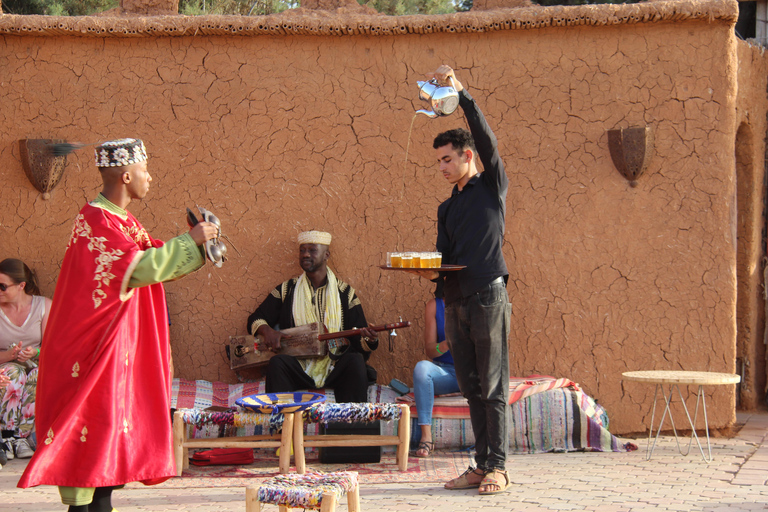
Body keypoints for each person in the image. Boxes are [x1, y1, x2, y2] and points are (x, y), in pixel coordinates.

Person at [18, 138, 219, 512]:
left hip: (115, 348)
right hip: (94, 349)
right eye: (146, 170)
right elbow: (137, 268)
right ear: (127, 175)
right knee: (90, 442)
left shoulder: (122, 220)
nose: (150, 178)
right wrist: (189, 242)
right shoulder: (96, 219)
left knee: (109, 442)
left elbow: (147, 259)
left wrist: (191, 246)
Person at [408, 65, 511, 495]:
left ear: (468, 156)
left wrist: (462, 93)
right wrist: (431, 276)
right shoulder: (446, 209)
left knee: (492, 385)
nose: (442, 167)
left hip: (488, 297)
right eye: (438, 161)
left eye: (447, 159)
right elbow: (442, 260)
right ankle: (480, 465)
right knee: (470, 387)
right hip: (456, 303)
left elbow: (485, 136)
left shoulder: (492, 187)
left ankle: (498, 468)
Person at [247, 230, 379, 403]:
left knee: (355, 361)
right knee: (277, 364)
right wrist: (267, 332)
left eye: (312, 250)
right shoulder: (287, 290)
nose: (306, 254)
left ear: (326, 255)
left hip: (334, 365)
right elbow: (256, 319)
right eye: (302, 250)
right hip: (299, 366)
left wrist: (370, 339)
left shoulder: (345, 293)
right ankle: (281, 425)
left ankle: (352, 426)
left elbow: (359, 338)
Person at [0, 258, 52, 466]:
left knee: (38, 374)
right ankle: (7, 434)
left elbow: (54, 345)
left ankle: (23, 437)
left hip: (37, 363)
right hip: (6, 364)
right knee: (14, 373)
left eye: (2, 286)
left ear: (21, 285)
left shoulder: (43, 306)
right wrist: (9, 355)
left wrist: (35, 351)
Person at [413, 281, 460, 458]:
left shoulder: (474, 302)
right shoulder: (435, 306)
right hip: (446, 373)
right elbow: (430, 349)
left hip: (470, 372)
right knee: (421, 368)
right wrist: (446, 344)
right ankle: (426, 436)